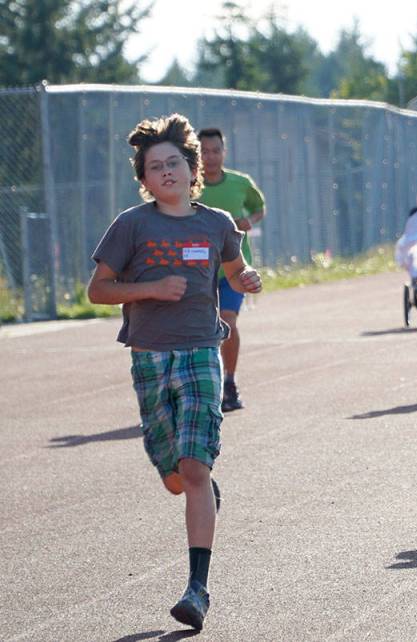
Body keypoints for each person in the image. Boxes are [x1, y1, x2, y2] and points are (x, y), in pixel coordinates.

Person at [87, 114, 262, 630]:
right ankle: (198, 485)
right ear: (143, 178)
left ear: (192, 168)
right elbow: (97, 290)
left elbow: (234, 271)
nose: (166, 171)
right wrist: (151, 289)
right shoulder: (131, 224)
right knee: (175, 479)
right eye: (154, 166)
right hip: (149, 356)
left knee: (194, 468)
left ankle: (196, 590)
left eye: (174, 162)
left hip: (201, 352)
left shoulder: (217, 224)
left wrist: (247, 278)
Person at [197, 128, 266, 412]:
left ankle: (229, 381)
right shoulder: (188, 186)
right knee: (200, 330)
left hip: (233, 270)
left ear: (224, 152)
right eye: (204, 151)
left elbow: (258, 208)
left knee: (228, 321)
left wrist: (250, 221)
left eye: (216, 151)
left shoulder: (240, 182)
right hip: (198, 270)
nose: (210, 157)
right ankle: (201, 386)